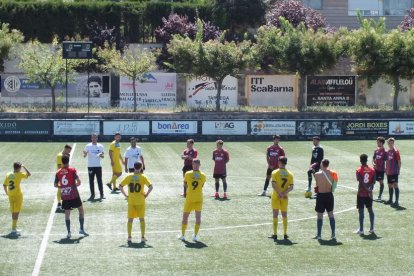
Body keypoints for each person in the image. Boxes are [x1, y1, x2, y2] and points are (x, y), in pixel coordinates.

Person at [119, 162, 153, 244]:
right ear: (141, 167)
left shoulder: (129, 176)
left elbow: (120, 186)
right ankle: (142, 237)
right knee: (142, 219)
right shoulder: (143, 177)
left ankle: (129, 237)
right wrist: (146, 195)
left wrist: (126, 196)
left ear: (133, 167)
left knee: (130, 219)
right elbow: (151, 187)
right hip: (141, 201)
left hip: (131, 201)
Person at [55, 155, 87, 239]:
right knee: (81, 210)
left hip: (65, 196)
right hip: (74, 194)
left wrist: (62, 187)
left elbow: (55, 185)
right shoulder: (73, 170)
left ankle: (69, 232)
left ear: (62, 162)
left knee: (67, 214)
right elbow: (79, 182)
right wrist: (74, 185)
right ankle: (81, 229)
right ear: (68, 161)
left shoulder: (58, 172)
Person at [178, 159, 206, 242]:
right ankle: (195, 236)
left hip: (190, 198)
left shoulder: (188, 174)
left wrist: (189, 189)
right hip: (199, 198)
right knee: (198, 217)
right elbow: (202, 186)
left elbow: (185, 184)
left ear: (192, 164)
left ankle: (183, 235)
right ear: (199, 165)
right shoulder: (203, 175)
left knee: (185, 217)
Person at [268, 156, 294, 241]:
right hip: (285, 197)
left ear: (279, 162)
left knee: (275, 215)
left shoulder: (275, 172)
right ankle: (285, 234)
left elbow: (273, 184)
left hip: (276, 196)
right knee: (284, 215)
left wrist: (279, 193)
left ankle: (275, 234)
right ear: (286, 163)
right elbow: (291, 187)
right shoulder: (290, 174)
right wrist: (283, 194)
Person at [3, 162, 31, 237]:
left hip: (10, 195)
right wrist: (24, 167)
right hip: (18, 195)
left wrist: (7, 193)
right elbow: (29, 174)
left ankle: (14, 228)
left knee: (13, 211)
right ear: (18, 168)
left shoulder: (8, 174)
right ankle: (13, 229)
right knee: (16, 212)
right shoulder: (19, 174)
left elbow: (4, 185)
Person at [314, 159, 337, 240]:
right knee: (331, 214)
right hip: (329, 195)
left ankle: (319, 235)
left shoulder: (317, 174)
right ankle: (333, 234)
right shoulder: (333, 173)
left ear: (321, 164)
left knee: (319, 216)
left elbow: (317, 185)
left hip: (321, 196)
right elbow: (334, 184)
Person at [354, 154, 376, 235]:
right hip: (369, 194)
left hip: (361, 193)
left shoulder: (358, 170)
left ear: (360, 160)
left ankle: (361, 229)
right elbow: (373, 181)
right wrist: (369, 188)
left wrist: (365, 188)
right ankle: (372, 228)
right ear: (367, 160)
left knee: (361, 211)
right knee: (370, 210)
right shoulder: (372, 169)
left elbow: (360, 181)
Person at [83, 133, 105, 200]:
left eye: (95, 137)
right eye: (93, 137)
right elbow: (84, 154)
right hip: (90, 166)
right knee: (91, 181)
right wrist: (85, 153)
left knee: (99, 180)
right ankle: (92, 194)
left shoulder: (100, 146)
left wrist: (100, 155)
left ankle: (101, 194)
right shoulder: (88, 146)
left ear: (97, 138)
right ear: (91, 138)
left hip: (98, 166)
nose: (94, 139)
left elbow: (103, 156)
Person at [385, 137, 401, 207]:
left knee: (395, 185)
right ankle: (390, 200)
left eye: (392, 143)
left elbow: (399, 161)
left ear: (393, 143)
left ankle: (396, 201)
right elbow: (387, 161)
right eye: (389, 143)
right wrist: (386, 169)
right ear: (387, 143)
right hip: (389, 171)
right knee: (389, 185)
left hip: (394, 171)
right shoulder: (388, 151)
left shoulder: (396, 151)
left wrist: (399, 170)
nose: (391, 144)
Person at [56, 144, 72, 212]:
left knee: (66, 189)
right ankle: (59, 204)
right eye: (68, 150)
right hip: (61, 175)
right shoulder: (60, 156)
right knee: (60, 189)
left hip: (65, 174)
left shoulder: (67, 155)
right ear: (65, 149)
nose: (69, 152)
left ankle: (65, 204)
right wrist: (64, 173)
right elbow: (59, 167)